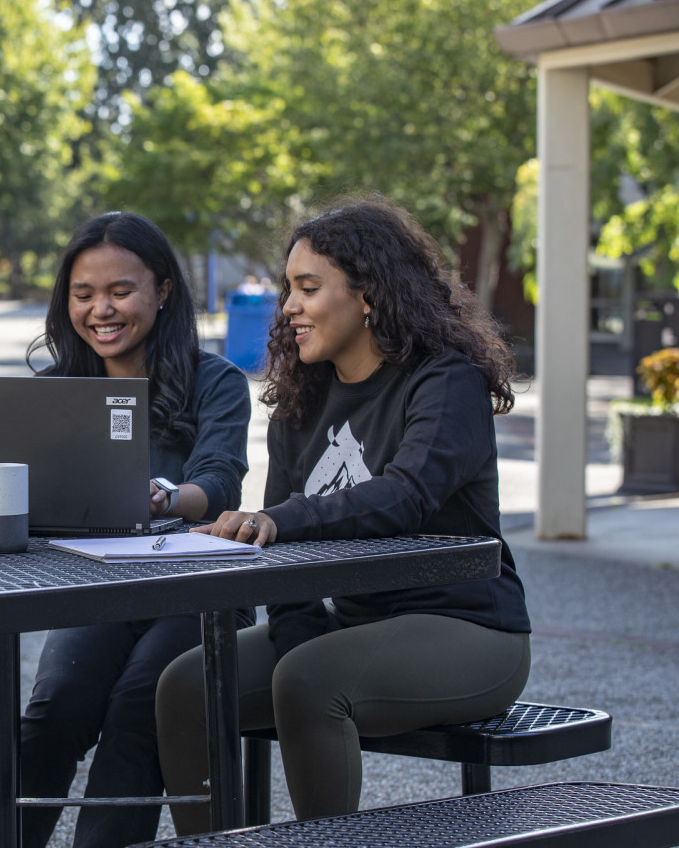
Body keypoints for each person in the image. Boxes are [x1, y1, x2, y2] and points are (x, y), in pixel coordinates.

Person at [156, 195, 531, 830]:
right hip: (352, 626)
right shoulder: (302, 400)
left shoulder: (445, 381)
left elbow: (405, 494)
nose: (289, 307)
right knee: (188, 685)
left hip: (469, 629)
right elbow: (283, 552)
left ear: (369, 296)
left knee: (308, 681)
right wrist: (296, 628)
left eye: (308, 287)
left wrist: (283, 522)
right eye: (287, 289)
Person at [19, 211, 254, 848]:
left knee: (138, 709)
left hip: (194, 590)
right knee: (55, 709)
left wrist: (168, 497)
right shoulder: (54, 391)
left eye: (121, 291)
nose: (101, 310)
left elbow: (220, 481)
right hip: (98, 589)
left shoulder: (218, 383)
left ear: (163, 291)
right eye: (83, 294)